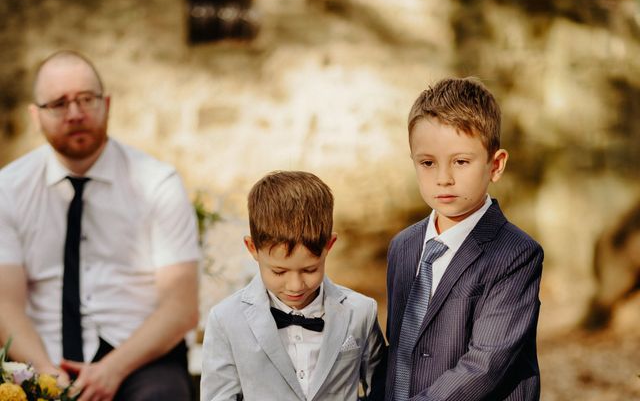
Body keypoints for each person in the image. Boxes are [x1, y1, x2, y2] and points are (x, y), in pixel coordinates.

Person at [0, 50, 200, 401]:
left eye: (86, 99)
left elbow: (181, 308)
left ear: (106, 103)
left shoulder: (158, 183)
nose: (75, 113)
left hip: (141, 356)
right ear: (36, 115)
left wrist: (113, 370)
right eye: (59, 103)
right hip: (37, 354)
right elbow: (5, 303)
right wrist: (46, 376)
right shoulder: (8, 189)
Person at [385, 77, 544, 400]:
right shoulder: (403, 246)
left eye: (460, 161)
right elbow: (399, 351)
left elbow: (485, 365)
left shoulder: (515, 254)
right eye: (427, 163)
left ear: (495, 165)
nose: (443, 178)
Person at [200, 170, 386, 401]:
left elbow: (381, 389)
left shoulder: (360, 312)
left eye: (310, 270)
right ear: (252, 248)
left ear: (329, 245)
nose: (295, 285)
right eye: (278, 271)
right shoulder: (226, 319)